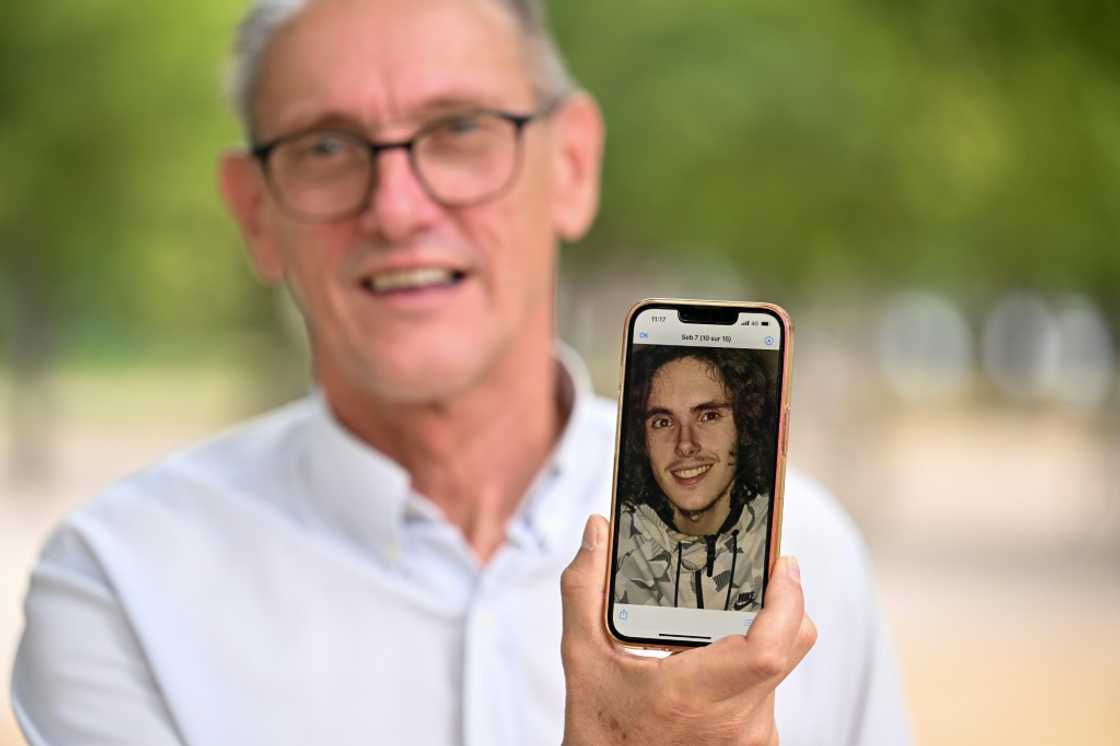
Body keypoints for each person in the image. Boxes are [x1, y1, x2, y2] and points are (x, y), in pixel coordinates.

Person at [10, 0, 911, 744]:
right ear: (255, 211)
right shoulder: (119, 588)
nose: (397, 207)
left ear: (571, 164)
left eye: (460, 128)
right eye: (326, 146)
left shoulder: (807, 566)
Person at [615, 346, 774, 611]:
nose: (685, 444)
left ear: (745, 424)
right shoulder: (617, 541)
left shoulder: (784, 537)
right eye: (663, 422)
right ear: (640, 441)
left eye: (709, 416)